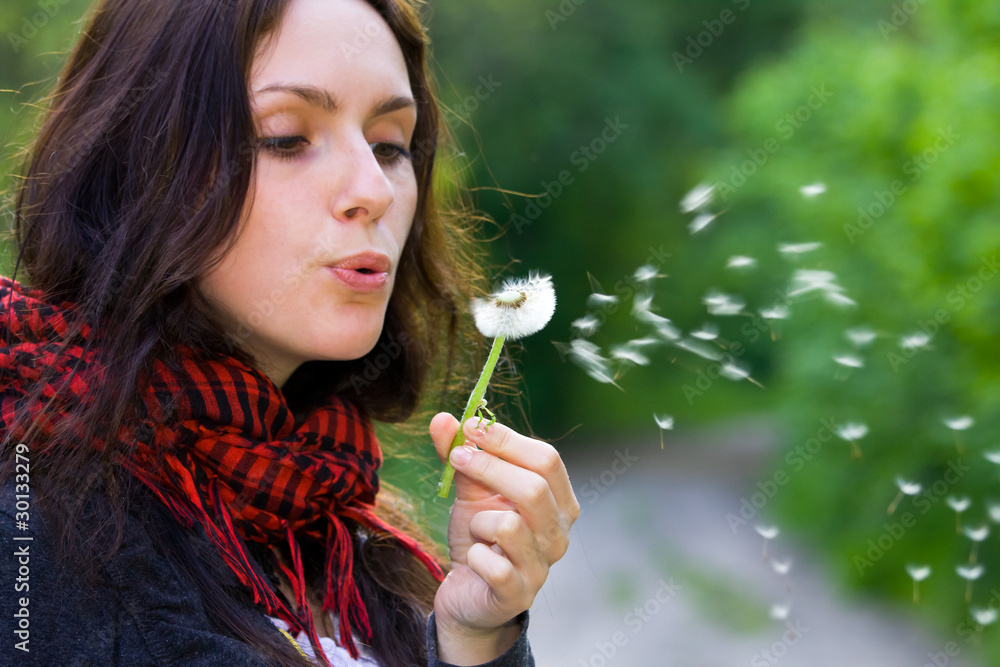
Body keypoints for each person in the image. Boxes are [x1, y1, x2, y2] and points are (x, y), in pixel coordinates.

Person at [0, 0, 580, 665]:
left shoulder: (328, 510)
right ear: (140, 163)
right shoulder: (32, 515)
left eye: (390, 144)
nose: (375, 188)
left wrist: (475, 639)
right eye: (286, 137)